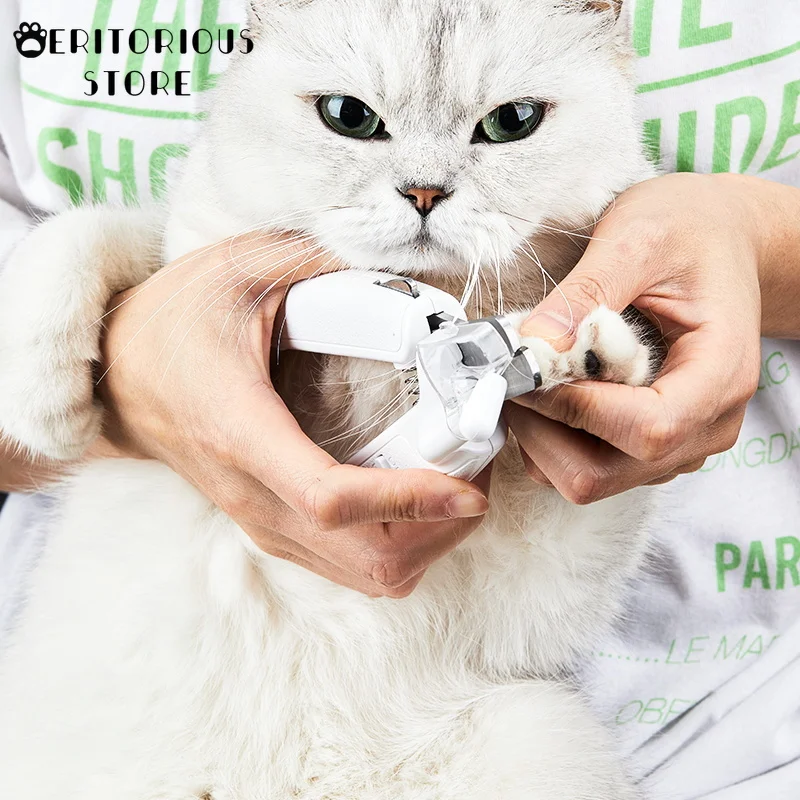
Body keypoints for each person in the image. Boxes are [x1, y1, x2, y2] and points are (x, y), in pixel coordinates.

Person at [1, 1, 799, 797]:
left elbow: (537, 616)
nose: (426, 185)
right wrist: (119, 344)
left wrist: (752, 240)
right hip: (129, 729)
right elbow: (33, 420)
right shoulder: (211, 203)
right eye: (352, 116)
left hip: (656, 735)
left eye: (510, 121)